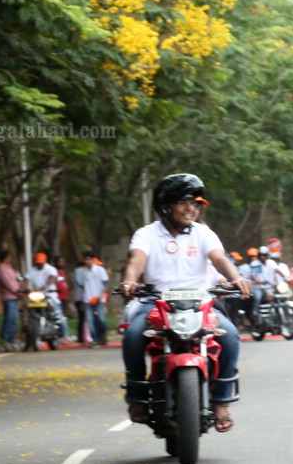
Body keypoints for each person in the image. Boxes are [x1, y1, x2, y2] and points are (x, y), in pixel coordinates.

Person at [118, 174, 250, 431]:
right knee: (133, 336)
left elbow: (220, 259)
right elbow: (136, 260)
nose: (191, 208)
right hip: (156, 302)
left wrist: (236, 278)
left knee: (231, 335)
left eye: (195, 203)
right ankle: (137, 399)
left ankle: (221, 401)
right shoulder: (146, 234)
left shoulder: (203, 233)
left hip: (201, 303)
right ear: (166, 205)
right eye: (183, 202)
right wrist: (129, 281)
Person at [23, 252, 64, 346]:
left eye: (41, 262)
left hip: (49, 294)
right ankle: (28, 329)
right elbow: (26, 279)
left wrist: (46, 286)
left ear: (44, 262)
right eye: (37, 262)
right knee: (26, 309)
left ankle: (61, 332)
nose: (39, 264)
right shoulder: (32, 270)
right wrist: (24, 287)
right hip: (36, 294)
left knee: (57, 314)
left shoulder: (50, 269)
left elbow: (53, 278)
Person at [83, 253, 110, 346]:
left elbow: (105, 284)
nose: (87, 261)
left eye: (88, 259)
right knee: (90, 320)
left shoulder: (100, 270)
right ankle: (95, 339)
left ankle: (103, 336)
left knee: (102, 320)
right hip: (88, 299)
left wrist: (99, 296)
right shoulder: (84, 272)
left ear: (92, 260)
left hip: (99, 299)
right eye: (85, 260)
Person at [0, 250, 20, 349]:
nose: (10, 259)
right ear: (5, 258)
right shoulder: (2, 269)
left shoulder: (10, 268)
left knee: (14, 318)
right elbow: (7, 283)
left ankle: (12, 339)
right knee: (9, 318)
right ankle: (6, 339)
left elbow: (16, 279)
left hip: (15, 296)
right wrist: (17, 291)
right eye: (9, 257)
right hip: (9, 297)